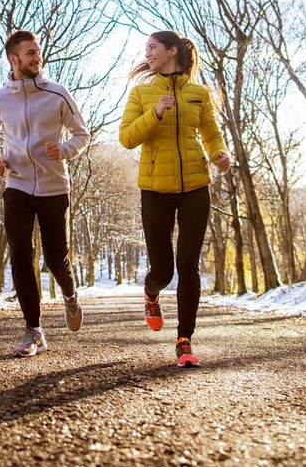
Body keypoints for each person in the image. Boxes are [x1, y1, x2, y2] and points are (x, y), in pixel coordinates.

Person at [119, 31, 231, 367]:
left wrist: (219, 153)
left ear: (172, 51)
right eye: (146, 50)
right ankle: (151, 293)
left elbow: (211, 133)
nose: (148, 54)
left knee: (188, 264)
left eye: (153, 48)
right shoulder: (141, 93)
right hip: (155, 189)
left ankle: (185, 340)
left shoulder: (198, 94)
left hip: (196, 185)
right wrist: (154, 113)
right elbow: (126, 138)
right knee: (164, 270)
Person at [0, 30, 91, 357]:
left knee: (56, 258)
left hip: (54, 186)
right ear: (14, 60)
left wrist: (65, 149)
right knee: (20, 253)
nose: (37, 57)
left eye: (38, 52)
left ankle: (70, 296)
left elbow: (82, 134)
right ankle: (34, 330)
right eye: (30, 53)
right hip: (16, 184)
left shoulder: (58, 94)